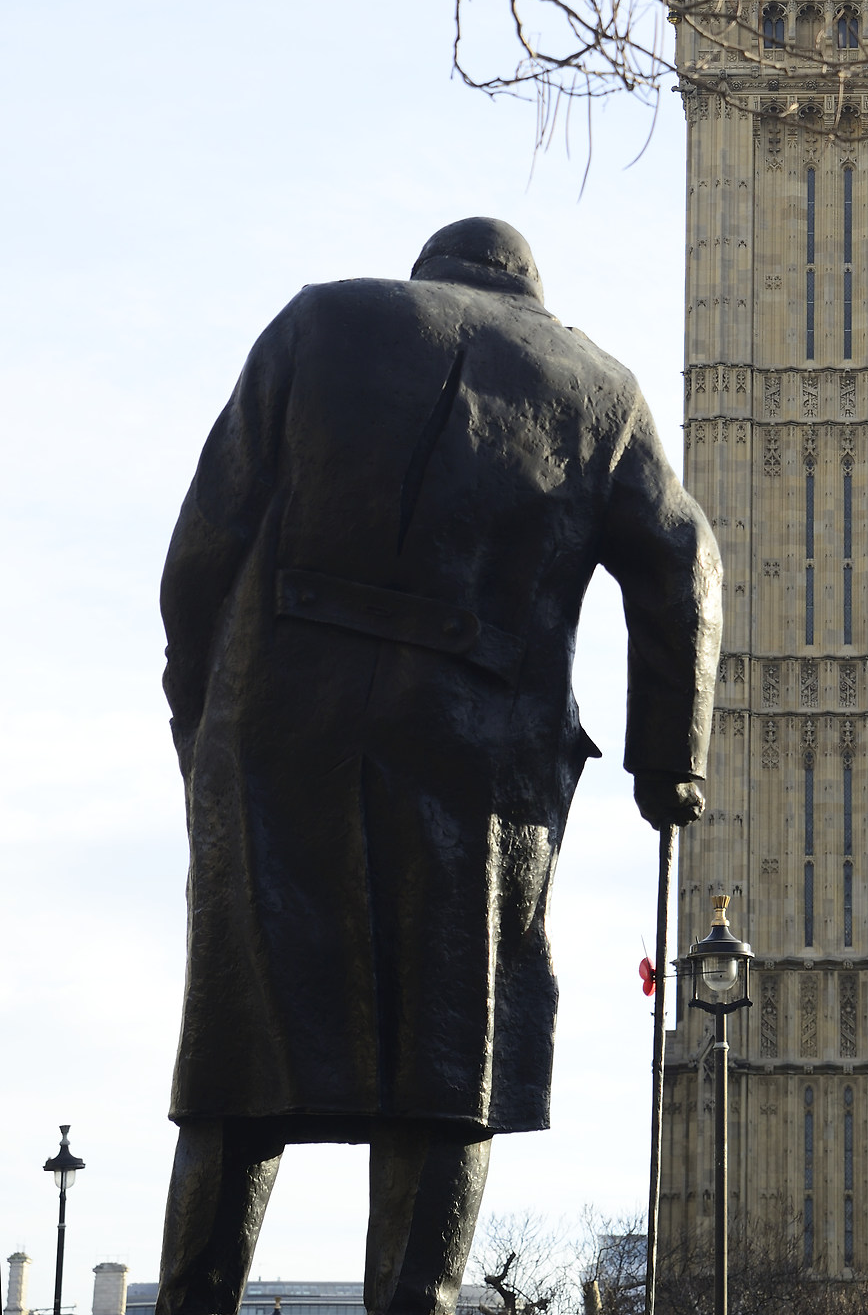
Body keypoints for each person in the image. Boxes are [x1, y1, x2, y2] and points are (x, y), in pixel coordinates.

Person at [156, 217, 722, 1315]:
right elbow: (685, 566)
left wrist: (206, 722)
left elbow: (202, 547)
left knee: (245, 1056)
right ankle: (419, 1299)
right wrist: (669, 766)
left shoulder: (321, 319)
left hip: (278, 735)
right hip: (482, 764)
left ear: (431, 274)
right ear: (529, 290)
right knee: (450, 1064)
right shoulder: (598, 388)